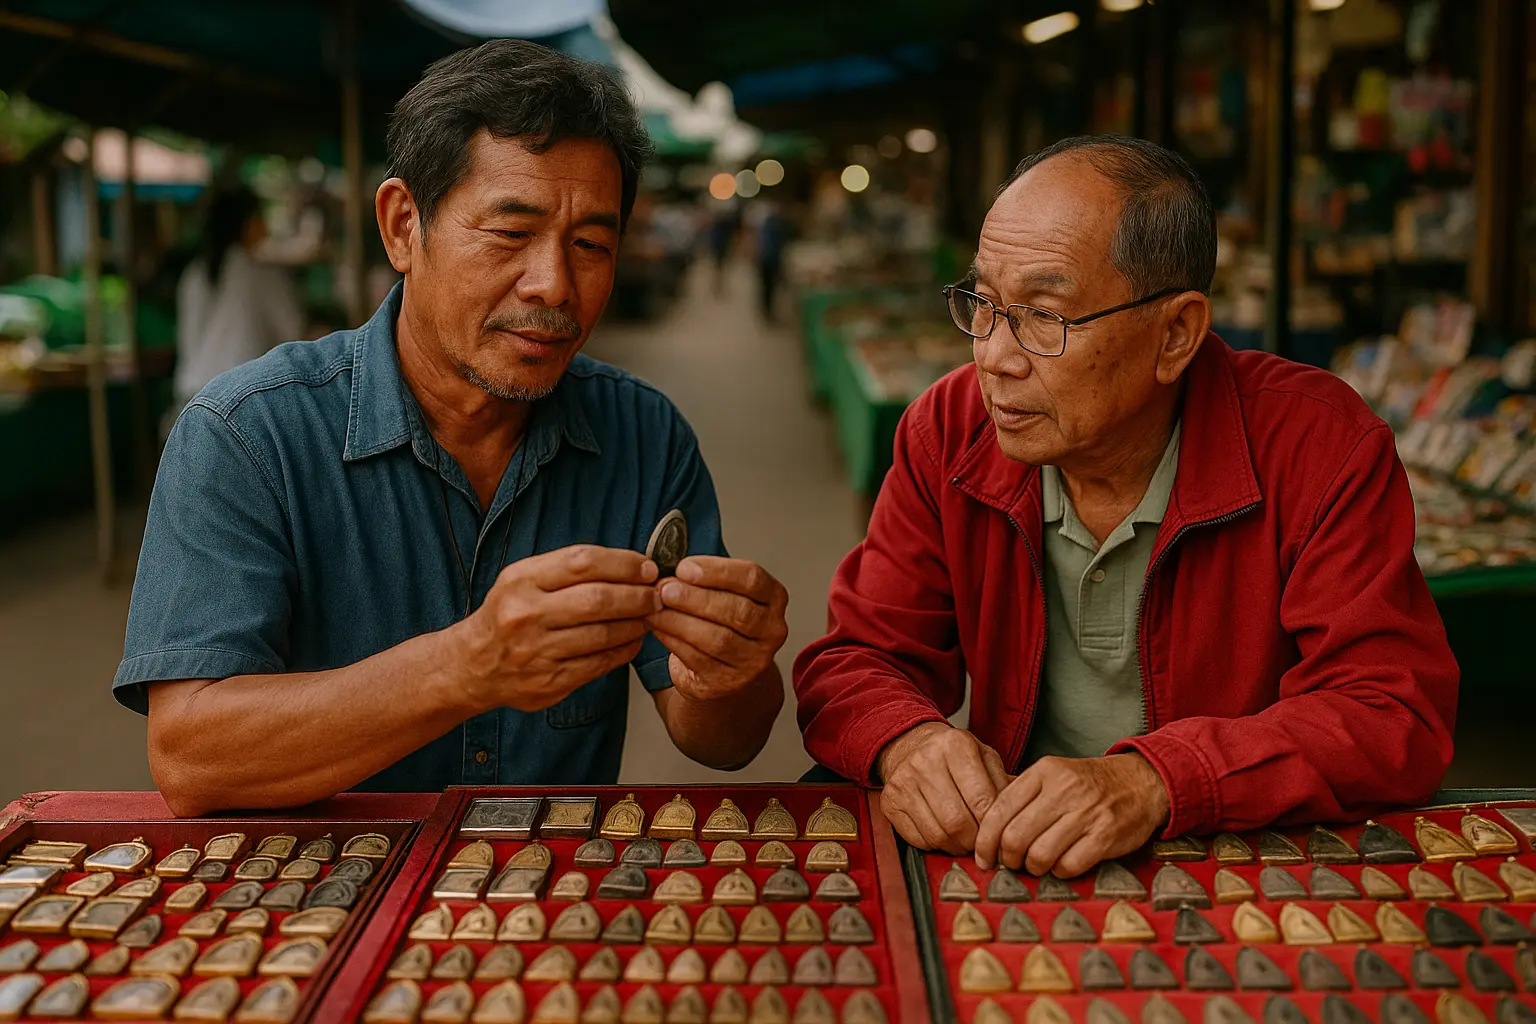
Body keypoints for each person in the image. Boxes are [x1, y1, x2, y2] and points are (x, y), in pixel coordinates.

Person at [118, 40, 789, 816]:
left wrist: (731, 671)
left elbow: (722, 740)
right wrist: (464, 667)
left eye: (593, 246)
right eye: (510, 234)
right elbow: (191, 757)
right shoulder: (244, 436)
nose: (554, 285)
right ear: (404, 226)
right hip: (315, 911)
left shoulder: (643, 433)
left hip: (556, 900)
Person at [793, 135, 1458, 878]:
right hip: (1015, 851)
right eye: (982, 303)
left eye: (1044, 316)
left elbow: (1387, 712)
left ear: (1175, 334)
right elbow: (857, 660)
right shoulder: (949, 430)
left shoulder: (1318, 446)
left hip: (1235, 857)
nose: (993, 357)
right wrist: (908, 741)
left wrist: (1157, 780)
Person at [169, 185, 304, 423]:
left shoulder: (194, 274)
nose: (266, 226)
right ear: (246, 223)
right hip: (238, 401)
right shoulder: (259, 273)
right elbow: (294, 331)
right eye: (260, 217)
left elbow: (186, 341)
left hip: (190, 398)